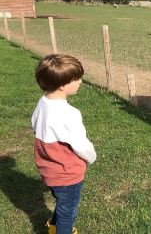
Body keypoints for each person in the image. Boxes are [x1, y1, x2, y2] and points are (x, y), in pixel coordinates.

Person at [32, 54, 96, 234]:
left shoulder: (42, 103)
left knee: (62, 204)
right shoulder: (69, 114)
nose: (80, 82)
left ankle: (53, 227)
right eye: (76, 78)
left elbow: (35, 126)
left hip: (49, 170)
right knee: (68, 211)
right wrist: (92, 157)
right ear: (62, 84)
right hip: (67, 174)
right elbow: (81, 145)